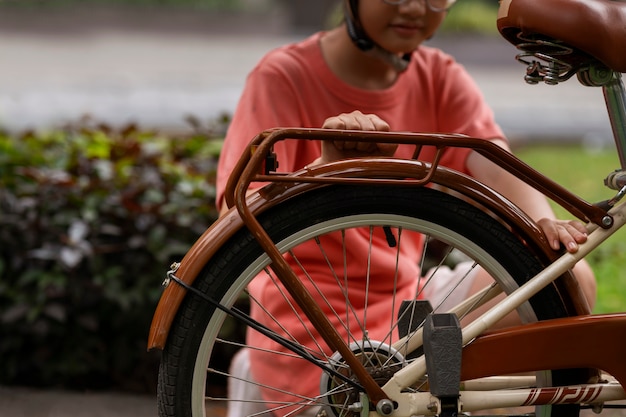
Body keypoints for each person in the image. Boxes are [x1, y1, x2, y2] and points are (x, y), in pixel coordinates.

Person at [216, 0, 597, 416]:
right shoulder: (283, 76)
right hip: (308, 321)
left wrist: (541, 221)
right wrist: (324, 169)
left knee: (567, 279)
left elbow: (492, 162)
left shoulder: (437, 76)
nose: (415, 7)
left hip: (406, 305)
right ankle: (259, 371)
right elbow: (237, 219)